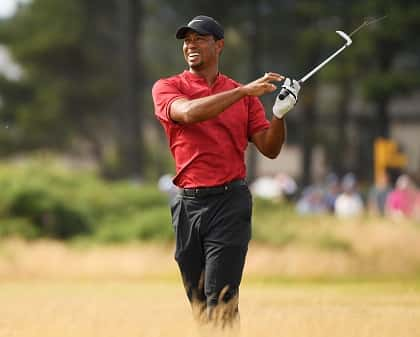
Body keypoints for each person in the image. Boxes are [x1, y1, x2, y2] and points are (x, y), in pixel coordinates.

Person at [152, 15, 300, 328]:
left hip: (229, 202)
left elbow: (269, 148)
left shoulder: (242, 95)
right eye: (187, 40)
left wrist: (279, 115)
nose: (191, 45)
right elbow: (190, 113)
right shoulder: (168, 87)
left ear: (219, 45)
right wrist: (244, 92)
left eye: (200, 39)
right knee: (199, 302)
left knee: (221, 297)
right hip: (187, 204)